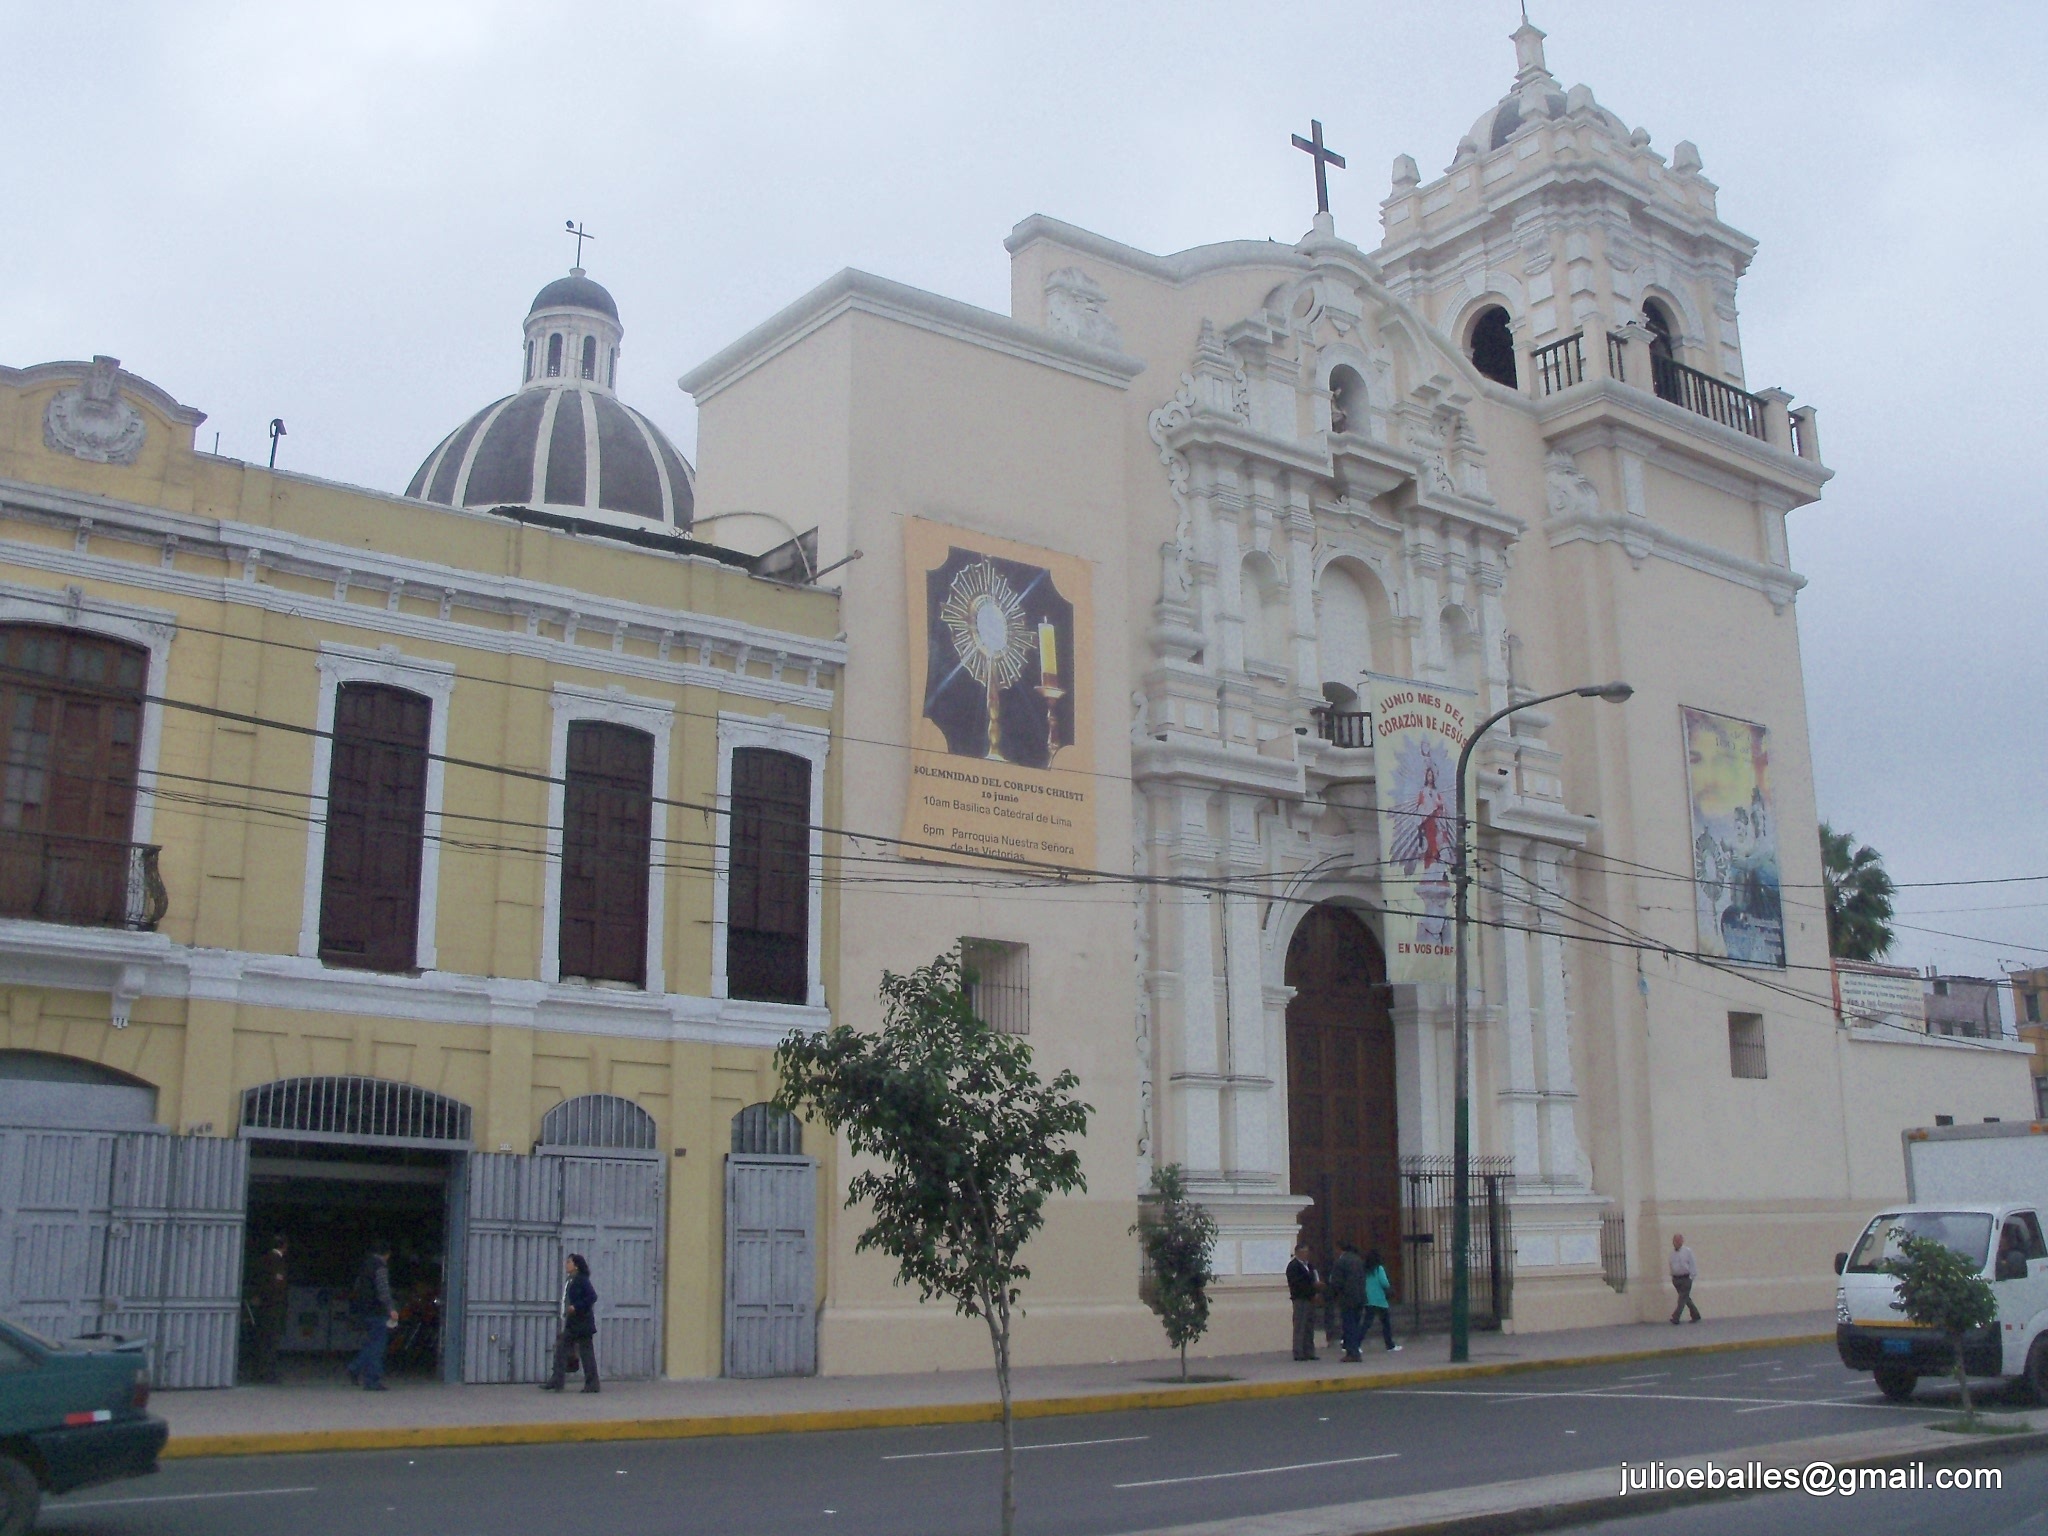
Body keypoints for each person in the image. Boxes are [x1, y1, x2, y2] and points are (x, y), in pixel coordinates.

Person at [541, 1253, 600, 1394]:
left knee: (586, 1354)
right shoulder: (571, 1280)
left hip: (582, 1324)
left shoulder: (581, 1279)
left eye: (569, 1262)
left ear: (576, 1265)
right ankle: (556, 1381)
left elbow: (592, 1296)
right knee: (561, 1350)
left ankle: (592, 1384)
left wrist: (576, 1307)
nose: (566, 1264)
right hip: (572, 1323)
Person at [346, 1238, 397, 1391]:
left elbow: (357, 1286)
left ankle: (354, 1368)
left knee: (371, 1343)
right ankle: (371, 1380)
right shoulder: (380, 1267)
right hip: (377, 1310)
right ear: (386, 1254)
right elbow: (383, 1290)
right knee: (377, 1346)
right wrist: (391, 1309)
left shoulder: (365, 1265)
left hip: (365, 1310)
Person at [249, 1233, 290, 1384]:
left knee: (262, 1340)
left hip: (264, 1306)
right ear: (284, 1246)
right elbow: (277, 1284)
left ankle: (258, 1372)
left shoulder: (264, 1259)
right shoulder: (277, 1261)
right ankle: (267, 1373)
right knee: (271, 1341)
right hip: (274, 1306)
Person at [1329, 1240, 1368, 1363]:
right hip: (1360, 1298)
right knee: (1355, 1326)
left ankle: (1352, 1353)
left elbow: (1337, 1282)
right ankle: (1355, 1350)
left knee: (1349, 1326)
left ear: (1340, 1249)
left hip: (1347, 1299)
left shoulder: (1341, 1262)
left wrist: (1331, 1295)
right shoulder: (1358, 1260)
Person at [1285, 1242, 1321, 1362]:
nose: (1306, 1254)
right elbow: (1297, 1284)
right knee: (1300, 1325)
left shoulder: (1309, 1266)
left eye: (1307, 1252)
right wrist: (1312, 1289)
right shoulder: (1293, 1266)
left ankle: (1309, 1351)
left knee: (1309, 1326)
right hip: (1300, 1299)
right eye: (1304, 1252)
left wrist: (1315, 1291)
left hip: (1310, 1299)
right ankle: (1298, 1352)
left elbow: (1314, 1278)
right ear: (1298, 1253)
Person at [1362, 1248, 1401, 1353]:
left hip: (1368, 1299)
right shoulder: (1379, 1269)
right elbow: (1384, 1283)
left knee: (1366, 1323)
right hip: (1379, 1299)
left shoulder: (1365, 1270)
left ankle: (1356, 1343)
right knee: (1385, 1323)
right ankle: (1390, 1345)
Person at [1669, 1232, 1701, 1324]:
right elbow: (1671, 1266)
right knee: (1685, 1298)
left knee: (1681, 1299)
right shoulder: (1672, 1254)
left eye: (1679, 1240)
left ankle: (1676, 1317)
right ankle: (1695, 1314)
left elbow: (1692, 1263)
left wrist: (1692, 1276)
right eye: (1675, 1240)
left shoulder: (1687, 1251)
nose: (1677, 1242)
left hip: (1686, 1278)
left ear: (1682, 1241)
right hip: (1676, 1279)